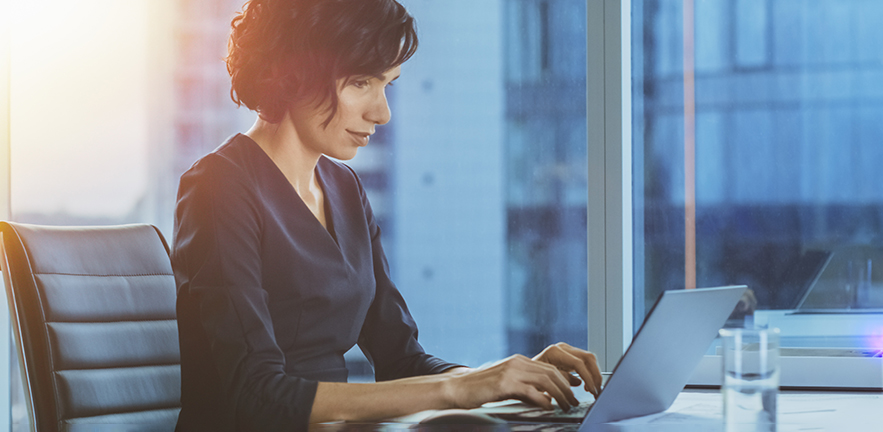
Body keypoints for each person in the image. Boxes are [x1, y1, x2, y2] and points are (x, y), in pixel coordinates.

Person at [171, 0, 602, 430]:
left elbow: (402, 359)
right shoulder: (218, 188)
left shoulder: (345, 189)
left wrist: (502, 378)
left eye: (386, 85)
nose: (381, 113)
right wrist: (456, 390)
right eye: (360, 83)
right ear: (291, 73)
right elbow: (257, 394)